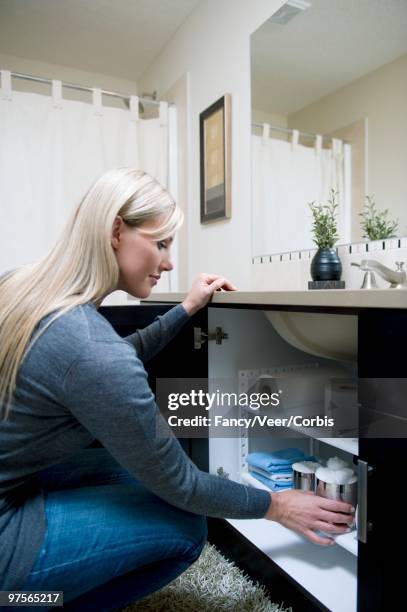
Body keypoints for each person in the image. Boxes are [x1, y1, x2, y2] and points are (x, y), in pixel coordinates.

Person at [0, 168, 354, 611]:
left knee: (133, 474)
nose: (168, 263)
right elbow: (182, 484)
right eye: (161, 243)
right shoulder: (90, 350)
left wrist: (185, 309)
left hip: (14, 483)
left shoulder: (22, 288)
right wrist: (277, 506)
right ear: (115, 231)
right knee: (187, 529)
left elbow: (103, 364)